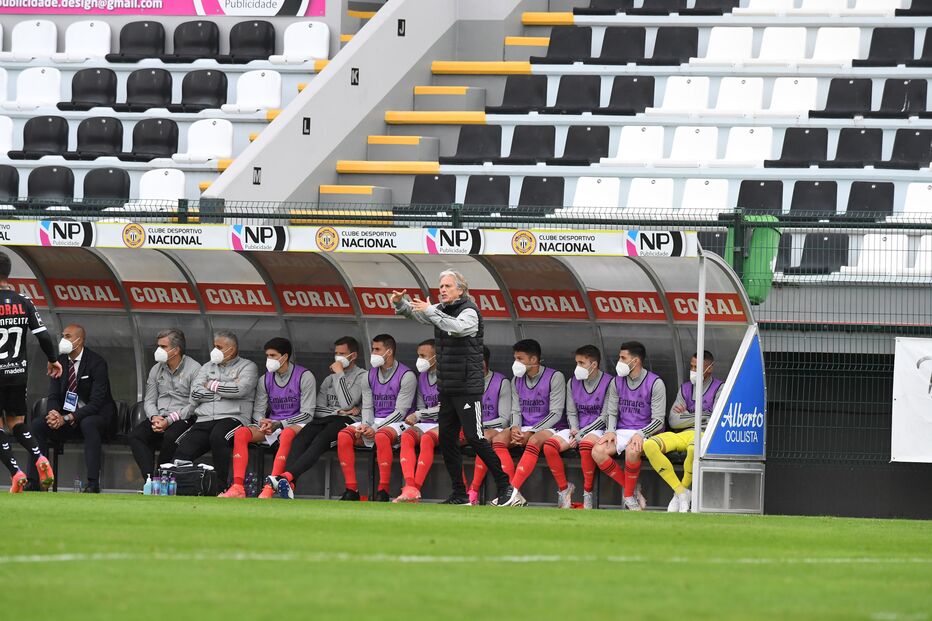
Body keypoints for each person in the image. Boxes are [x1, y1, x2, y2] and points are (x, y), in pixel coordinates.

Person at [393, 271, 515, 506]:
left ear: (461, 289)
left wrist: (431, 311)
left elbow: (455, 327)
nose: (443, 289)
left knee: (475, 437)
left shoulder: (469, 311)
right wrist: (401, 304)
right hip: (447, 387)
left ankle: (506, 486)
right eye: (441, 286)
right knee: (447, 441)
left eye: (448, 286)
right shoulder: (440, 308)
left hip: (468, 387)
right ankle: (459, 494)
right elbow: (421, 316)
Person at [267, 336, 370, 499]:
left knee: (320, 441)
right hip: (329, 417)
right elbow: (318, 408)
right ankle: (289, 483)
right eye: (336, 353)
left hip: (349, 422)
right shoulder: (328, 379)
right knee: (301, 438)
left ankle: (285, 477)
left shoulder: (363, 376)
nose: (338, 357)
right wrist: (337, 411)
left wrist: (340, 375)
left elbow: (347, 403)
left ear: (354, 356)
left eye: (342, 353)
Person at [220, 337, 313, 499]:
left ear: (284, 357)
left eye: (273, 356)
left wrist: (280, 424)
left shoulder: (304, 376)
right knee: (242, 433)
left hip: (297, 424)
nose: (269, 360)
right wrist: (262, 421)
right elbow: (258, 411)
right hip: (273, 425)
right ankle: (237, 487)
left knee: (287, 434)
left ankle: (270, 487)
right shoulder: (265, 379)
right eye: (267, 356)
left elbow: (308, 413)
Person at [0, 251, 61, 493]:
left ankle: (16, 473)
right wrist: (53, 360)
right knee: (17, 423)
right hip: (16, 372)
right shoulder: (24, 300)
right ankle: (39, 457)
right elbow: (43, 335)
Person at [28, 324, 115, 493]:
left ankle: (92, 484)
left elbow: (96, 403)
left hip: (96, 416)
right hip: (67, 418)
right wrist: (53, 414)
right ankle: (35, 481)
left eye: (67, 336)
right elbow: (53, 396)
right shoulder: (59, 362)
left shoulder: (96, 363)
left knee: (88, 423)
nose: (63, 340)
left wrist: (66, 418)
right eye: (63, 336)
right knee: (38, 424)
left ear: (79, 340)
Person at [175, 330, 258, 492]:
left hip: (233, 417)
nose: (214, 350)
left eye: (219, 347)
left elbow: (240, 390)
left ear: (231, 350)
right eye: (214, 346)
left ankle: (220, 487)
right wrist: (223, 391)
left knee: (218, 437)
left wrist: (212, 385)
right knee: (182, 450)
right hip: (205, 418)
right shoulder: (207, 367)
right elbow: (195, 392)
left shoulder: (248, 366)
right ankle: (183, 487)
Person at [335, 334, 414, 502]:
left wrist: (375, 428)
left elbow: (400, 411)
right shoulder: (369, 375)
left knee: (381, 436)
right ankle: (351, 489)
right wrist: (365, 425)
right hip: (374, 421)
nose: (373, 353)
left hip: (399, 422)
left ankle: (383, 491)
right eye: (372, 349)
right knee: (343, 435)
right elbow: (368, 406)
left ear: (389, 351)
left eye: (377, 349)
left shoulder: (407, 375)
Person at [644, 350, 723, 513]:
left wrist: (687, 415)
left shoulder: (719, 388)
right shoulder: (685, 388)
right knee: (649, 445)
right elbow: (673, 420)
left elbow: (715, 419)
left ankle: (677, 495)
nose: (693, 371)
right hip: (683, 433)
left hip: (703, 435)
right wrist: (702, 416)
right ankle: (681, 492)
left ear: (710, 368)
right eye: (692, 366)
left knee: (694, 449)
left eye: (697, 367)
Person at [490, 338, 566, 507]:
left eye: (520, 359)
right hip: (524, 427)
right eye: (515, 358)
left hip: (552, 427)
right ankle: (512, 494)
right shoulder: (516, 380)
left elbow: (556, 413)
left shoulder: (555, 377)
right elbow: (516, 411)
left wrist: (531, 431)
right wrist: (516, 428)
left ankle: (512, 492)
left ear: (533, 360)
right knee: (499, 440)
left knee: (534, 440)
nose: (516, 363)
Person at [591, 341, 666, 511]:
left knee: (632, 451)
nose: (619, 361)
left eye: (623, 358)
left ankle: (628, 498)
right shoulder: (616, 382)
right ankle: (631, 489)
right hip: (622, 430)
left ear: (636, 361)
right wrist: (610, 431)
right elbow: (611, 411)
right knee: (597, 451)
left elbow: (659, 420)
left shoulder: (655, 383)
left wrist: (641, 433)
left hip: (646, 430)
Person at [128, 329, 200, 486]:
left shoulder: (195, 369)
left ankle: (162, 478)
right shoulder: (156, 369)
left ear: (176, 350)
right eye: (158, 346)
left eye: (163, 346)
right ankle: (150, 479)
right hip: (159, 417)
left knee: (170, 437)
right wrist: (154, 417)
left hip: (183, 418)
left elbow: (194, 404)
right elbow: (149, 400)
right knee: (136, 436)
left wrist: (169, 420)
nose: (158, 350)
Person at [557, 345, 612, 510]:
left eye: (581, 363)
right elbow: (571, 411)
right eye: (576, 362)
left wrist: (581, 434)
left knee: (586, 444)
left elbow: (605, 417)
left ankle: (587, 494)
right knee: (549, 447)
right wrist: (574, 429)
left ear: (593, 365)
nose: (577, 367)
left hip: (599, 429)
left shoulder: (610, 382)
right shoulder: (572, 382)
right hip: (578, 429)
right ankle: (564, 490)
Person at [394, 339, 440, 503]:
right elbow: (421, 406)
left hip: (446, 423)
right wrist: (419, 416)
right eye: (418, 355)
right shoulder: (422, 376)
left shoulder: (448, 376)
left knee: (427, 439)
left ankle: (416, 489)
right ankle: (410, 486)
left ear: (436, 356)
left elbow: (446, 407)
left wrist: (419, 415)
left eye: (423, 356)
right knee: (406, 435)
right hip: (427, 422)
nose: (419, 360)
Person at [465, 346, 510, 505]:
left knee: (481, 437)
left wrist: (478, 424)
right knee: (446, 439)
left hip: (493, 428)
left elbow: (504, 419)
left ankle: (473, 491)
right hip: (470, 427)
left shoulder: (501, 381)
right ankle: (461, 489)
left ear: (484, 363)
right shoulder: (464, 382)